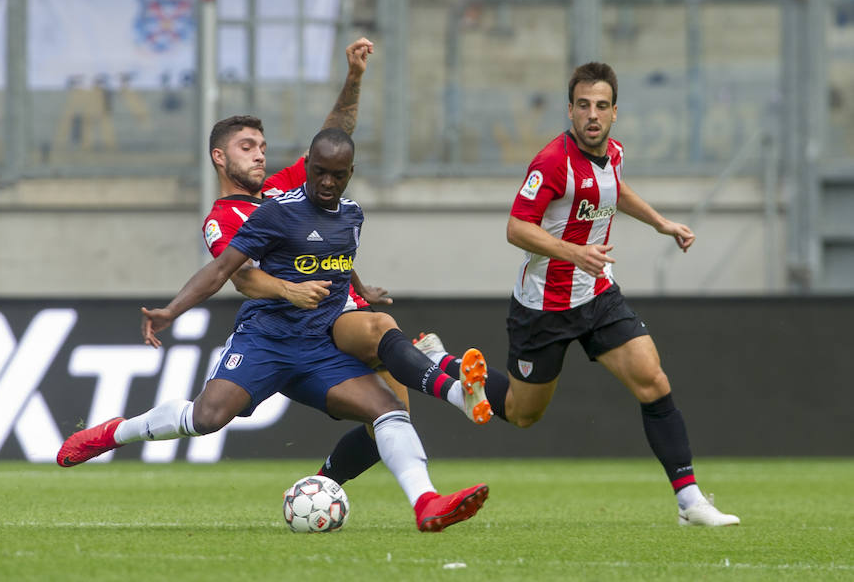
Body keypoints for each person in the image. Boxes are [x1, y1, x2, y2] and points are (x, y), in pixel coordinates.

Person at [57, 128, 489, 532]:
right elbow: (225, 270)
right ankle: (115, 433)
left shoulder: (353, 216)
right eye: (318, 172)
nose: (326, 182)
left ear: (350, 175)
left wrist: (359, 287)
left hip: (320, 349)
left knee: (389, 410)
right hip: (266, 340)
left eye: (336, 175)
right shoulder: (277, 212)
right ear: (308, 168)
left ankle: (426, 503)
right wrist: (171, 311)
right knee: (205, 418)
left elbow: (334, 257)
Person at [408, 62, 739, 527]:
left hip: (598, 296)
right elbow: (515, 227)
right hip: (543, 308)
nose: (592, 115)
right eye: (583, 105)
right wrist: (572, 252)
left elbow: (613, 191)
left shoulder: (614, 154)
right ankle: (445, 366)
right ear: (570, 109)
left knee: (654, 382)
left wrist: (661, 223)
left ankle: (690, 501)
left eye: (601, 106)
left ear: (615, 113)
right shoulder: (551, 162)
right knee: (524, 415)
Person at [198, 38, 490, 486]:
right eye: (246, 147)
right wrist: (292, 291)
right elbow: (245, 278)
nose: (259, 154)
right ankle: (441, 373)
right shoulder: (222, 220)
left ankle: (325, 485)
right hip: (298, 327)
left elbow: (333, 139)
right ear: (220, 157)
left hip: (340, 308)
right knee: (384, 377)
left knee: (391, 424)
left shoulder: (283, 189)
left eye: (261, 146)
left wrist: (354, 77)